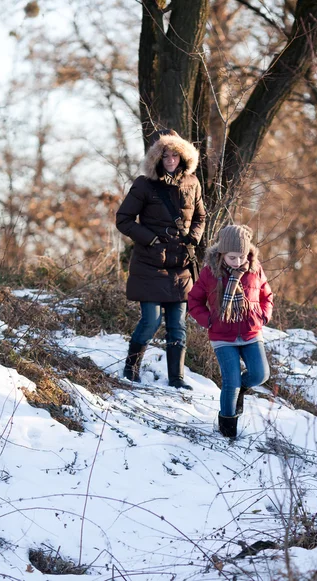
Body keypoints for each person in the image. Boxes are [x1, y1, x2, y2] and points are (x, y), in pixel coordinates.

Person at [116, 129, 206, 389]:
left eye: (174, 155)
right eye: (165, 155)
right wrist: (151, 239)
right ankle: (131, 369)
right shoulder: (144, 184)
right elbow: (123, 219)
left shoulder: (193, 183)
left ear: (182, 156)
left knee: (177, 325)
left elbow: (200, 217)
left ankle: (177, 379)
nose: (170, 160)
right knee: (151, 320)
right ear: (157, 157)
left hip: (181, 266)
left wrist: (194, 239)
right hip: (150, 265)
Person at [188, 225, 273, 438]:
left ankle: (240, 390)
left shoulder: (255, 269)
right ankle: (227, 431)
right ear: (222, 253)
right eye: (232, 257)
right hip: (222, 336)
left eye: (241, 257)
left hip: (251, 332)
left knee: (261, 374)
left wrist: (263, 316)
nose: (237, 262)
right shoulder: (210, 272)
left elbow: (267, 295)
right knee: (231, 382)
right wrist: (208, 320)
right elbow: (194, 300)